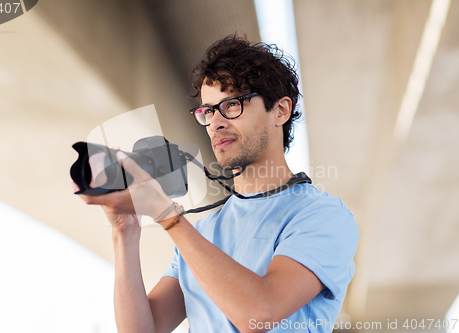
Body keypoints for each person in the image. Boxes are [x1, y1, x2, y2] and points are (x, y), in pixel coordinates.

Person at [75, 35, 359, 333]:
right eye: (208, 111)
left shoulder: (323, 216)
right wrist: (125, 232)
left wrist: (168, 215)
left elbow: (260, 313)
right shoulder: (203, 233)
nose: (216, 123)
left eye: (232, 104)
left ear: (281, 110)